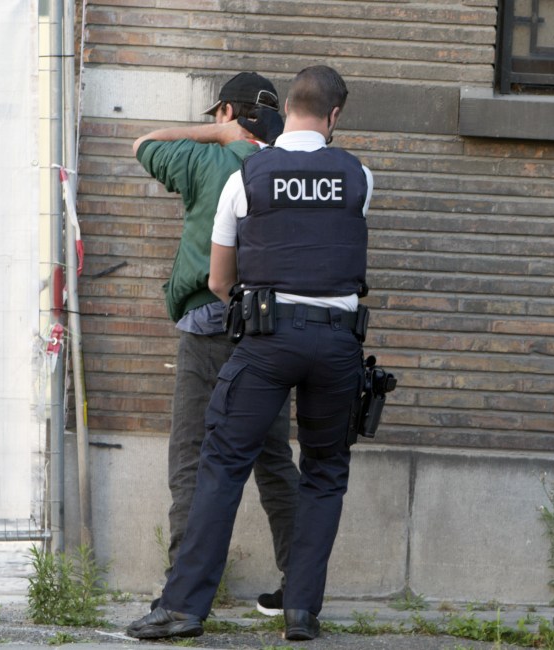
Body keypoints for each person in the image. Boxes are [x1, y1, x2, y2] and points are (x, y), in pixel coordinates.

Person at [126, 64, 374, 642]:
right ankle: (302, 612)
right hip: (338, 342)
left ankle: (184, 608)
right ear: (334, 116)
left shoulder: (249, 176)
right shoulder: (360, 177)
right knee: (322, 472)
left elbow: (217, 280)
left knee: (220, 465)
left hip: (266, 340)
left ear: (287, 108)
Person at [131, 71, 298, 615]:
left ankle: (181, 592)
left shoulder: (209, 160)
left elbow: (144, 145)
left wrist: (218, 136)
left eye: (218, 116)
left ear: (228, 112)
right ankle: (299, 590)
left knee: (192, 458)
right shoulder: (292, 168)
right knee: (272, 460)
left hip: (208, 326)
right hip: (271, 334)